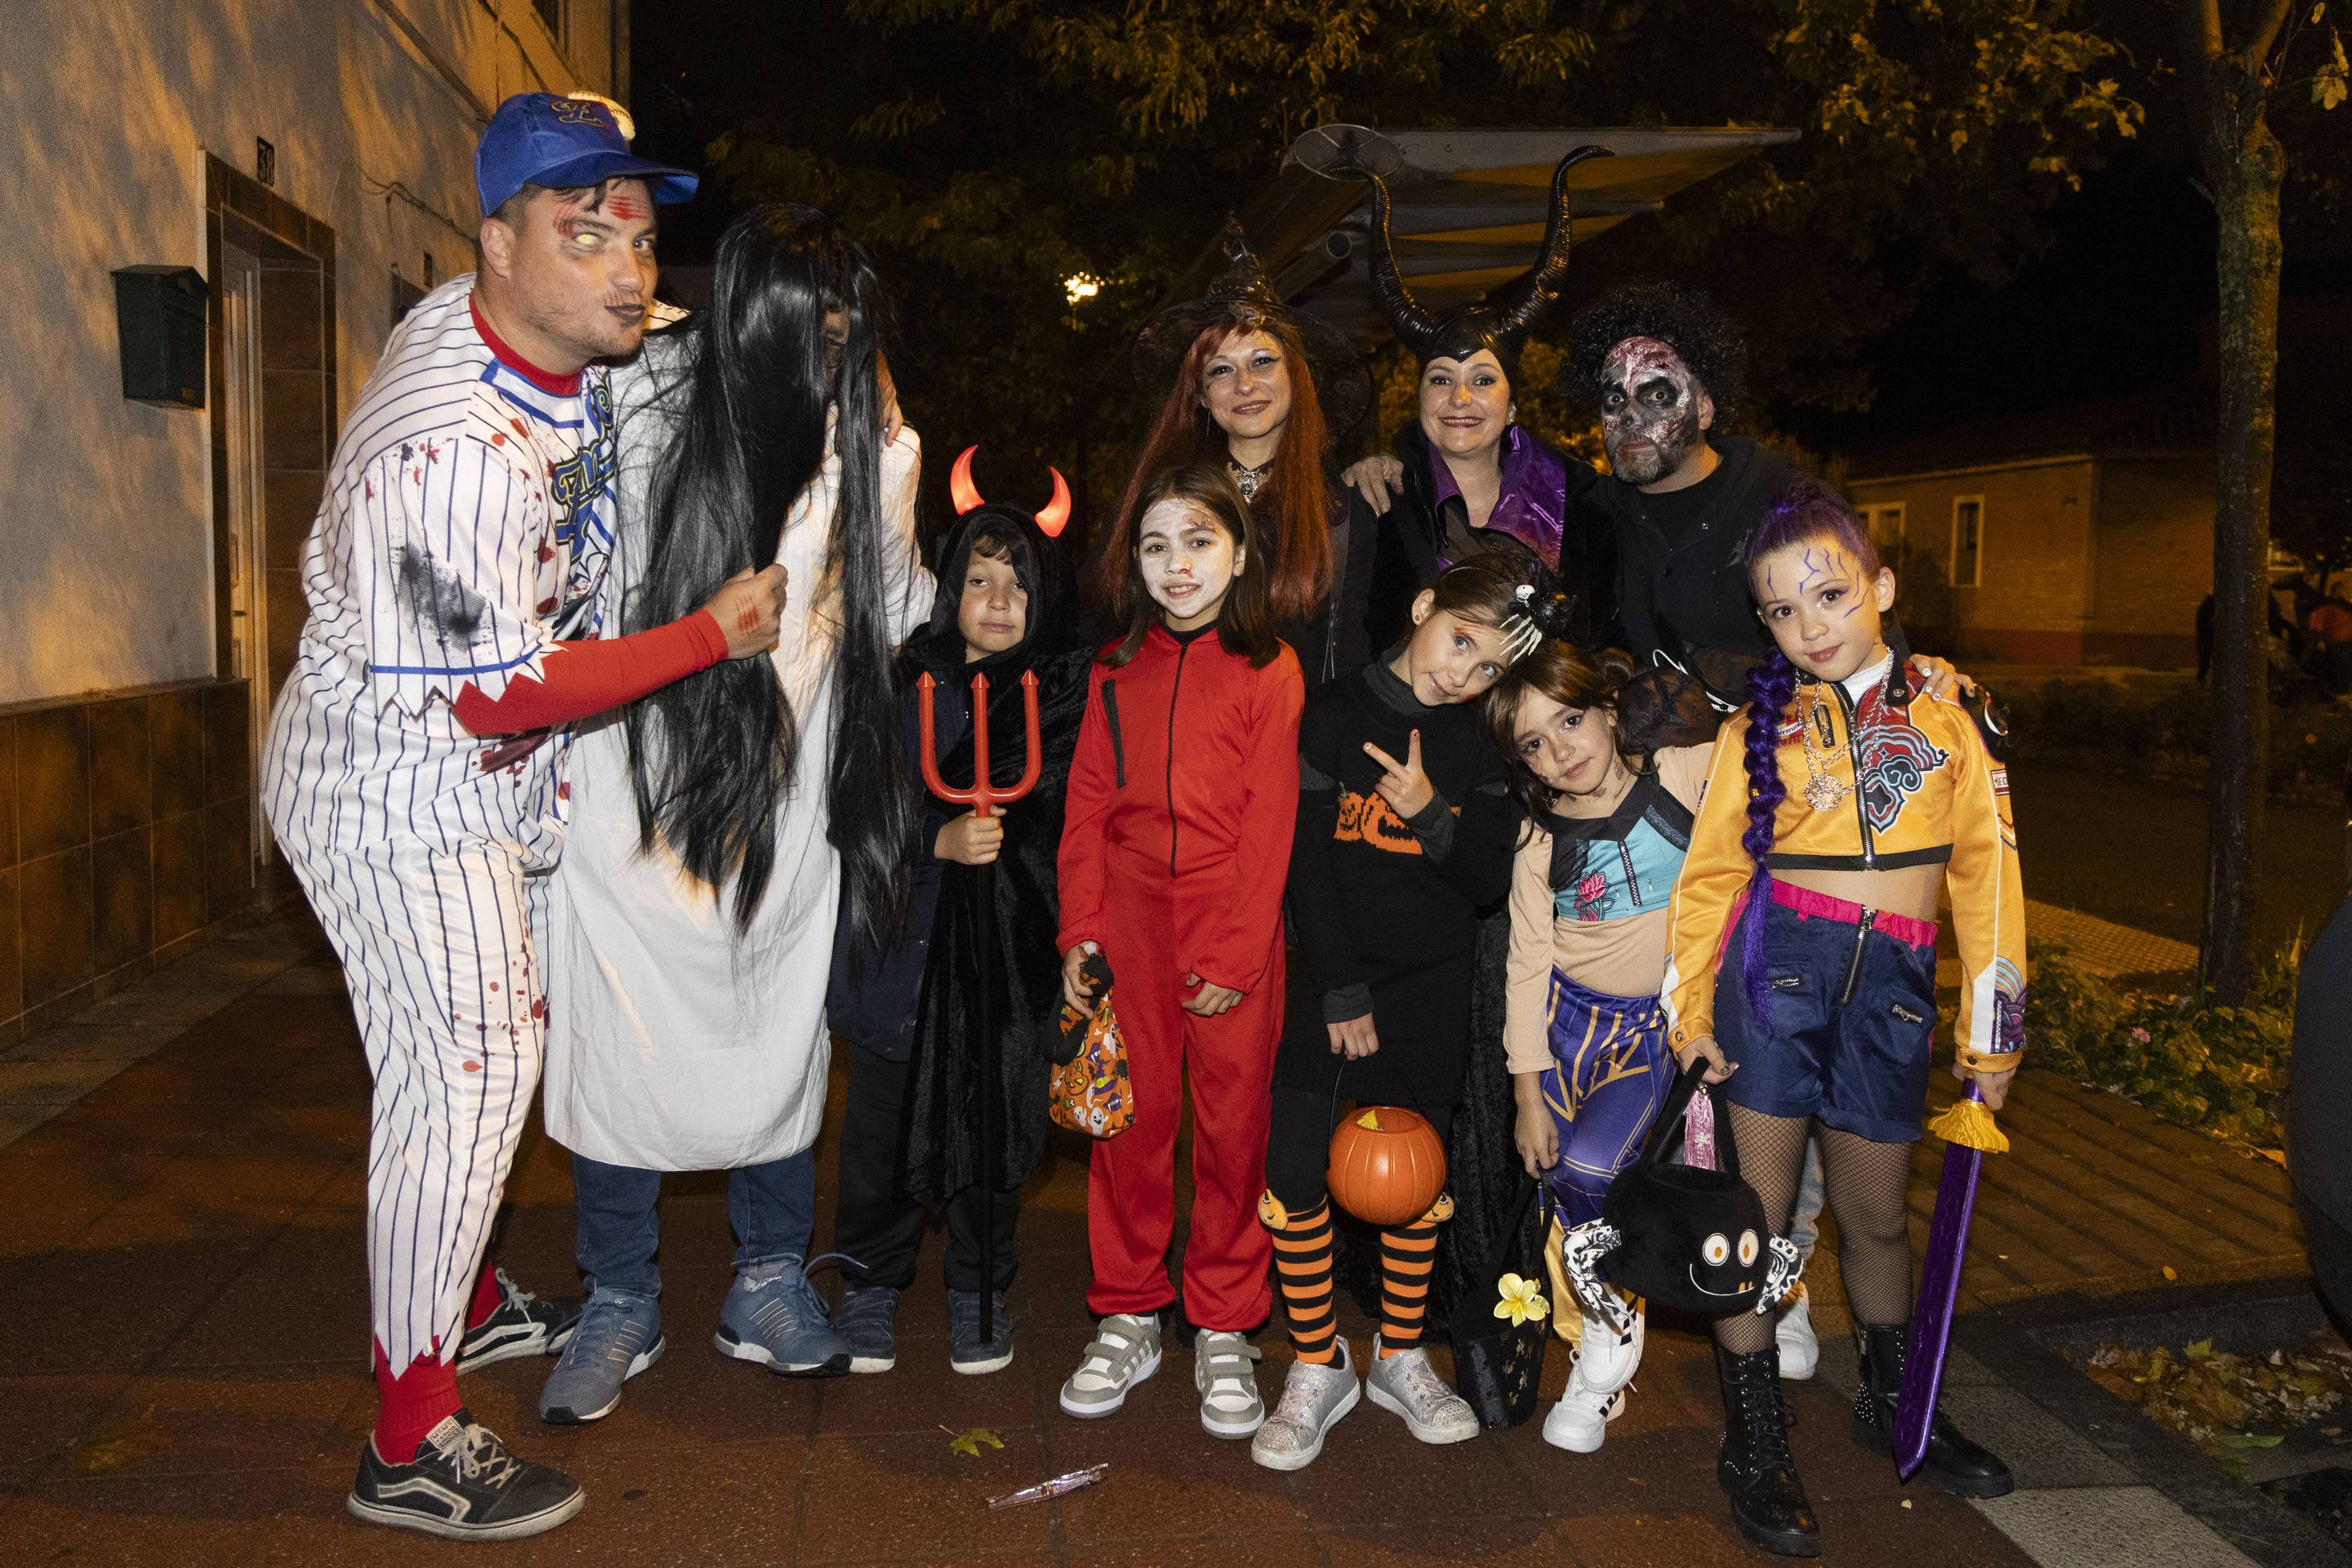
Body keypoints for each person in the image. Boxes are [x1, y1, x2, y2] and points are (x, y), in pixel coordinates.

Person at [260, 93, 749, 1539]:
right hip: (400, 789)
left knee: (444, 1066)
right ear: (496, 245)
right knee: (470, 1076)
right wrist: (710, 635)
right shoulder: (446, 446)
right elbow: (499, 694)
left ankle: (458, 1298)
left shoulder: (515, 326)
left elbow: (637, 359)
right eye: (581, 231)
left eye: (641, 235)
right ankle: (407, 1439)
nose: (626, 267)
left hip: (455, 767)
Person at [532, 206, 930, 1422]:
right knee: (618, 1048)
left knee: (774, 1040)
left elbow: (896, 604)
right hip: (632, 789)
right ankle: (618, 1294)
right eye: (807, 329)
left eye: (848, 333)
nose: (830, 355)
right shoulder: (649, 401)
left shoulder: (883, 451)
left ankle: (765, 1278)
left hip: (785, 801)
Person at [1662, 479, 2023, 1556]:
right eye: (1783, 609)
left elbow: (1992, 878)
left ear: (1881, 586)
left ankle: (1895, 1405)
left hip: (1897, 996)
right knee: (1753, 1222)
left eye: (1830, 594)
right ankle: (1756, 1440)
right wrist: (1689, 1013)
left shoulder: (1954, 716)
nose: (1811, 625)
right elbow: (1707, 880)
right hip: (1774, 984)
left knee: (1874, 1219)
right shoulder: (1756, 725)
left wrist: (1993, 1035)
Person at [1253, 554, 1543, 1471]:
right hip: (1332, 979)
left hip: (1429, 987)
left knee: (1410, 1176)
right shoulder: (1334, 712)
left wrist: (1431, 816)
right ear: (1424, 603)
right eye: (1459, 640)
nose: (1461, 672)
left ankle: (1401, 1355)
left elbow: (1488, 880)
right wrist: (1338, 985)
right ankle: (1316, 1361)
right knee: (1297, 1167)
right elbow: (1303, 861)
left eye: (1488, 666)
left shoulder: (1482, 742)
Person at [1054, 464, 1306, 1437]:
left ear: (1239, 555)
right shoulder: (1116, 666)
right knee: (1127, 1124)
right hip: (1127, 923)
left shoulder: (1269, 668)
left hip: (1228, 921)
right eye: (1156, 546)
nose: (1177, 565)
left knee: (1235, 1135)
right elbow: (1085, 807)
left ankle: (1226, 1321)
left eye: (1198, 541)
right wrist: (1080, 931)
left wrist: (1236, 956)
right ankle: (1126, 1310)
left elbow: (1270, 825)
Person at [826, 488, 1093, 1377]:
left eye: (1018, 582)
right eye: (978, 579)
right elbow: (855, 809)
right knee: (881, 1131)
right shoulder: (908, 683)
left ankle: (979, 1286)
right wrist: (932, 841)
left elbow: (1079, 826)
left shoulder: (1059, 697)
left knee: (994, 1130)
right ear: (947, 590)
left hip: (1004, 964)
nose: (998, 598)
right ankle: (870, 1279)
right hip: (903, 958)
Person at [1490, 643, 1714, 1452]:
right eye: (1535, 744)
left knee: (1591, 1169)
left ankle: (1609, 1341)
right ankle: (1596, 1315)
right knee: (1563, 1188)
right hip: (1559, 1033)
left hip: (1643, 1035)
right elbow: (1524, 967)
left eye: (1572, 719)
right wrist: (1526, 1095)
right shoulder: (1536, 838)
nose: (1562, 750)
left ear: (1611, 709)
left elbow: (1774, 740)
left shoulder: (1680, 777)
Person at [1334, 149, 1614, 655]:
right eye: (1440, 379)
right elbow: (1350, 638)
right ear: (1419, 399)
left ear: (1512, 406)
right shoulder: (1379, 499)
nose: (1459, 399)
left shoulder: (1582, 499)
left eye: (1483, 380)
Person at [1116, 220, 1374, 683]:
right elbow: (1112, 617)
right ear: (1199, 394)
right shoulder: (1160, 499)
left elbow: (1358, 649)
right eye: (1220, 370)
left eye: (1262, 361)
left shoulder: (1346, 505)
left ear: (1295, 376)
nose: (1246, 385)